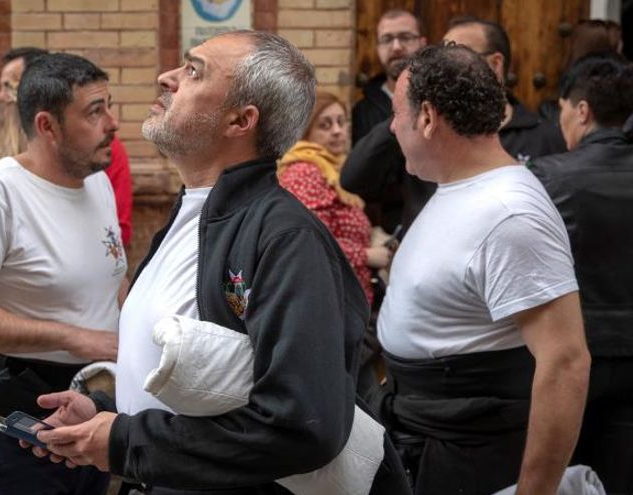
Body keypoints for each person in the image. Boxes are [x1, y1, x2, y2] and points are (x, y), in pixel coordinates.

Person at [24, 30, 410, 495]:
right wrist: (108, 414)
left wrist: (126, 441)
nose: (166, 78)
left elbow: (303, 424)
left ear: (239, 121)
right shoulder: (194, 209)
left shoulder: (286, 239)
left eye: (193, 71)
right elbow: (209, 383)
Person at [374, 43, 591, 495]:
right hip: (422, 436)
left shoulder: (510, 216)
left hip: (469, 454)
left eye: (396, 113)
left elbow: (566, 363)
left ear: (428, 118)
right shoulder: (457, 185)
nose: (392, 126)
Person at [0, 53, 125, 495]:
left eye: (110, 106)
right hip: (15, 423)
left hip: (90, 409)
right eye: (95, 111)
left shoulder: (97, 181)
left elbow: (111, 280)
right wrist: (74, 337)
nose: (112, 123)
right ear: (47, 126)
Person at [343, 16, 567, 236]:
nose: (443, 67)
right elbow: (354, 179)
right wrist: (405, 113)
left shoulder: (542, 135)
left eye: (459, 54)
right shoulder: (426, 131)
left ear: (495, 64)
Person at [528, 53, 633, 494]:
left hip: (571, 352)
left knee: (560, 477)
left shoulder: (546, 176)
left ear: (583, 110)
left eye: (564, 110)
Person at [0, 46, 134, 247]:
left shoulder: (102, 167)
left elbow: (118, 235)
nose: (1, 97)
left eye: (9, 86)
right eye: (95, 111)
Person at [277, 92, 392, 306]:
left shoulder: (335, 168)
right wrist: (365, 255)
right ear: (306, 131)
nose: (338, 131)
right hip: (328, 300)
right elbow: (309, 242)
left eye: (341, 122)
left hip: (345, 297)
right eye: (325, 125)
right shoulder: (305, 171)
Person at [352, 9, 426, 145]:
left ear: (422, 43)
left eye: (405, 37)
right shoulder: (361, 111)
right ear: (377, 48)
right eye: (387, 39)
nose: (396, 47)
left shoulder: (437, 100)